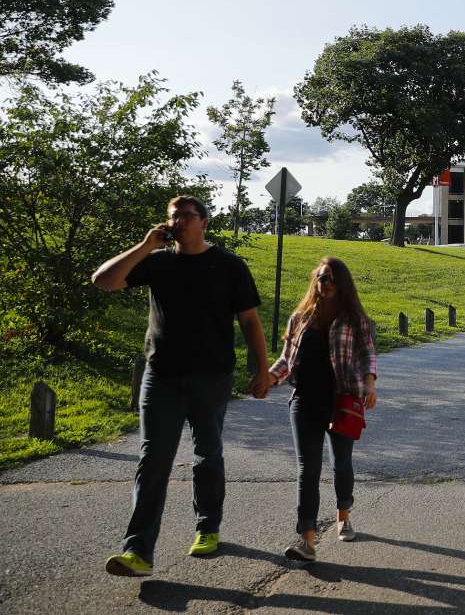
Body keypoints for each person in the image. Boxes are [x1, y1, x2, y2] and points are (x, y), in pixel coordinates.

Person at [93, 196, 270, 578]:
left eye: (186, 216)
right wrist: (144, 246)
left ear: (204, 222)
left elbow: (250, 321)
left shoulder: (228, 266)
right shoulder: (157, 263)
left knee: (207, 455)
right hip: (162, 377)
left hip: (212, 376)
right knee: (153, 461)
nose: (178, 221)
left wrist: (263, 370)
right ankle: (137, 551)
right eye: (173, 215)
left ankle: (207, 527)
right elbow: (102, 281)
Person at [265, 257, 378, 561]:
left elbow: (368, 355)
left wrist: (369, 384)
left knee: (341, 463)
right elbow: (286, 360)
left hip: (342, 400)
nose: (323, 283)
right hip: (304, 400)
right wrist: (269, 378)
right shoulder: (300, 317)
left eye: (329, 278)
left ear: (341, 283)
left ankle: (343, 514)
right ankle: (308, 539)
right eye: (320, 278)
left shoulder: (355, 318)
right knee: (308, 469)